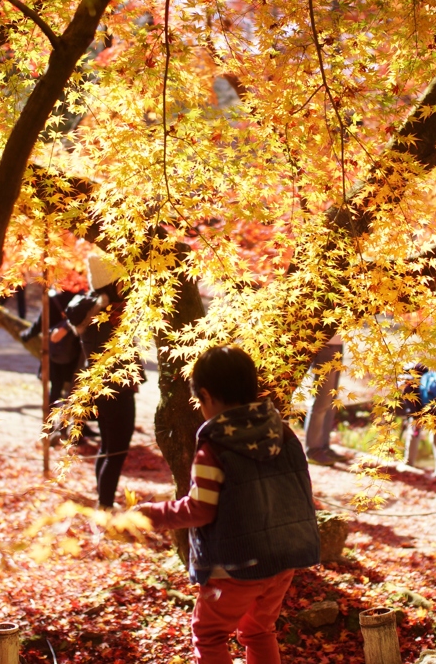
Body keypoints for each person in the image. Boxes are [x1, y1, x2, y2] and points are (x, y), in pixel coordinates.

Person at [136, 346, 321, 664]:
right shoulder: (284, 433)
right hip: (284, 559)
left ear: (206, 395)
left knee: (208, 636)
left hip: (235, 566)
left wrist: (150, 514)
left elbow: (200, 509)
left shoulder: (215, 447)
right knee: (260, 631)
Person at [66, 249, 138, 509]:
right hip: (115, 388)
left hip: (103, 387)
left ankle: (103, 502)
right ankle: (106, 506)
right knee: (116, 451)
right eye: (120, 279)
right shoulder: (107, 314)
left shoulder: (95, 309)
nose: (126, 284)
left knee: (108, 448)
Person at [303, 335, 351, 465]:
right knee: (322, 400)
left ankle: (324, 447)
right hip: (325, 343)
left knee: (331, 401)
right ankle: (313, 450)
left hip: (337, 343)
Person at [403, 365, 436, 479]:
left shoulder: (409, 388)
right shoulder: (433, 380)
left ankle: (408, 463)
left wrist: (416, 421)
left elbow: (412, 409)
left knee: (413, 435)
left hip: (422, 414)